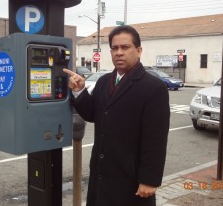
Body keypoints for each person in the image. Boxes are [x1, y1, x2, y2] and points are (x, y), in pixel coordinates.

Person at [63, 25, 170, 206]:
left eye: (125, 47)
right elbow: (93, 113)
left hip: (131, 179)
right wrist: (80, 91)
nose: (119, 52)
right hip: (101, 174)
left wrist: (149, 179)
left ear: (138, 50)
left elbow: (156, 138)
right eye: (114, 48)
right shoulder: (105, 81)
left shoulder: (153, 88)